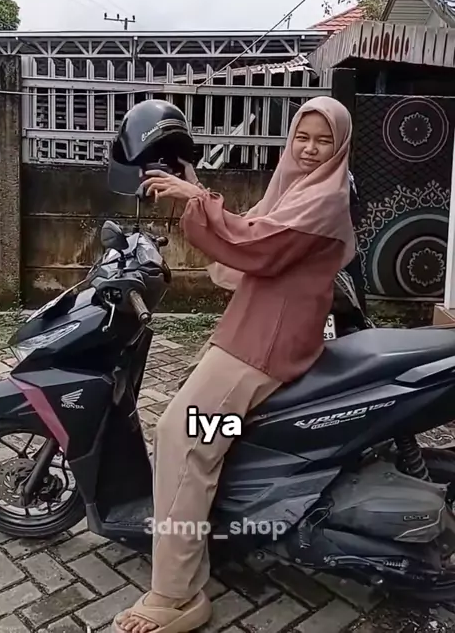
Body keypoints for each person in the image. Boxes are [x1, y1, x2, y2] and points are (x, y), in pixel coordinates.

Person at [112, 96, 355, 633]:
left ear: (340, 147)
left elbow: (256, 244)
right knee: (198, 429)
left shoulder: (324, 198)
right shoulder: (298, 189)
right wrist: (193, 184)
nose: (310, 149)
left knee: (183, 435)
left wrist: (196, 197)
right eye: (302, 137)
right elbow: (251, 226)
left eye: (323, 141)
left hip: (265, 342)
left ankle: (175, 595)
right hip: (256, 328)